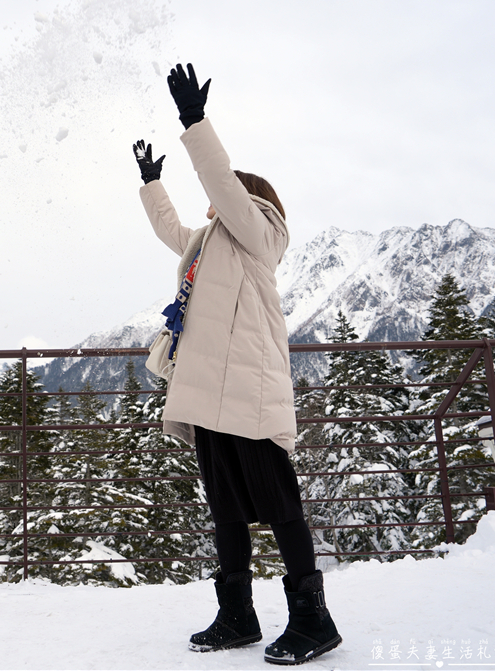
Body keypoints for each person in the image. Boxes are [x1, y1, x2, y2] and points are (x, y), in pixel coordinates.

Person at [131, 63, 342, 666]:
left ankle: (313, 619)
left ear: (248, 197)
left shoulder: (259, 232)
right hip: (208, 395)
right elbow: (173, 229)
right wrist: (151, 184)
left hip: (248, 390)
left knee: (279, 505)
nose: (212, 205)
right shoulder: (209, 240)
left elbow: (222, 183)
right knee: (225, 508)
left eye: (223, 197)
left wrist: (194, 122)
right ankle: (237, 616)